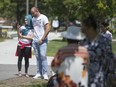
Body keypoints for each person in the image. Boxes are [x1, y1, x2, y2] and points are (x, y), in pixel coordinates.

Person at [81, 15, 114, 87]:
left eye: (84, 27)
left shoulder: (104, 42)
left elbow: (110, 61)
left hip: (99, 80)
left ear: (90, 28)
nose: (82, 30)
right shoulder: (83, 43)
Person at [31, 7, 50, 80]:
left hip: (42, 41)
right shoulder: (33, 19)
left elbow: (48, 28)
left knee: (43, 56)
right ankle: (39, 73)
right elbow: (34, 30)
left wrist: (42, 39)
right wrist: (33, 39)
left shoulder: (44, 17)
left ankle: (45, 74)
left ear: (37, 11)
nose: (32, 15)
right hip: (35, 41)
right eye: (31, 13)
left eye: (33, 13)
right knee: (38, 58)